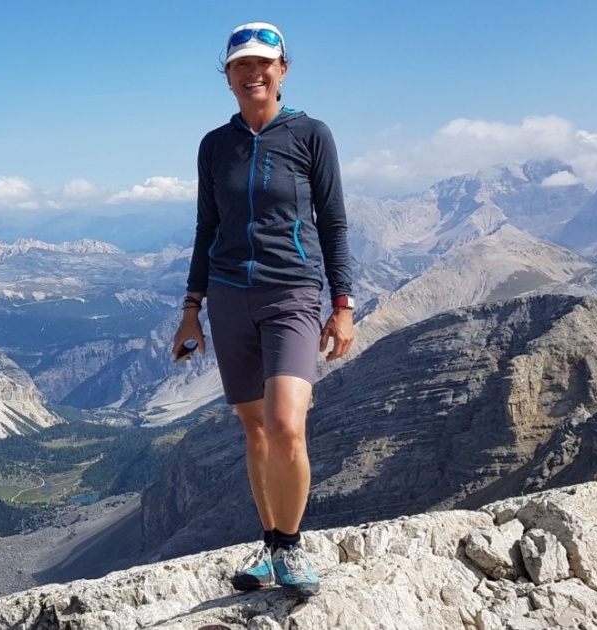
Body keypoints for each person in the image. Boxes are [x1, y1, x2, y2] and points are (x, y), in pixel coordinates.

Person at [171, 21, 355, 598]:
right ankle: (271, 543)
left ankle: (291, 547)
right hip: (227, 297)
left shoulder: (311, 135)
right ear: (226, 77)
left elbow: (335, 223)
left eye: (263, 63)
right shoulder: (214, 145)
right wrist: (191, 309)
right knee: (254, 431)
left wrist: (343, 304)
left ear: (283, 70)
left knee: (284, 425)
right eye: (240, 66)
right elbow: (207, 228)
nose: (252, 73)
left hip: (292, 294)